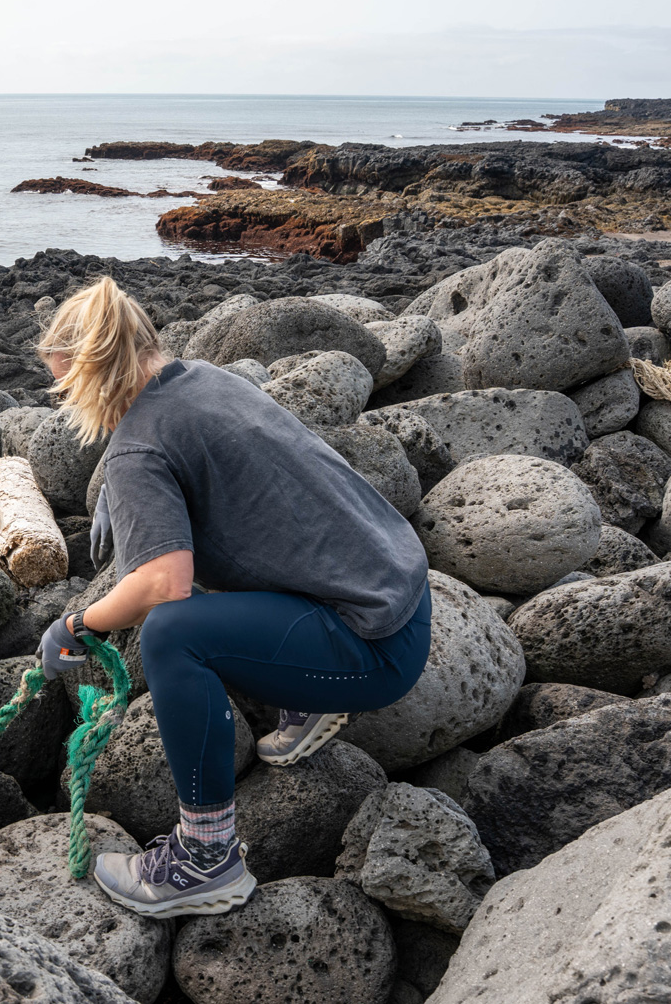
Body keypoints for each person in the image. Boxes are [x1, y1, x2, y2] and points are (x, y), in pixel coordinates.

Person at [35, 277, 432, 919]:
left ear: (91, 374)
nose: (66, 403)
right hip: (400, 594)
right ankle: (305, 696)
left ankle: (206, 857)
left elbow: (165, 583)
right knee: (222, 551)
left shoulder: (139, 450)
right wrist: (118, 489)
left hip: (372, 649)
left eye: (64, 386)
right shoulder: (206, 379)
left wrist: (78, 623)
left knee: (171, 632)